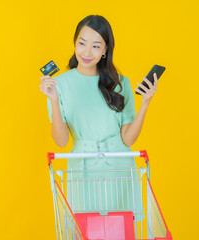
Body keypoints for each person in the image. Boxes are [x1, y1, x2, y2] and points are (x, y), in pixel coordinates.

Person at [39, 15, 158, 222]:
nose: (86, 52)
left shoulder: (121, 83)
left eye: (96, 46)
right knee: (87, 229)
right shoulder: (58, 84)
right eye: (82, 43)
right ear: (75, 43)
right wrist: (54, 101)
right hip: (82, 166)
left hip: (119, 166)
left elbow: (128, 139)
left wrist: (145, 104)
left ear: (105, 50)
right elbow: (61, 141)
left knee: (120, 230)